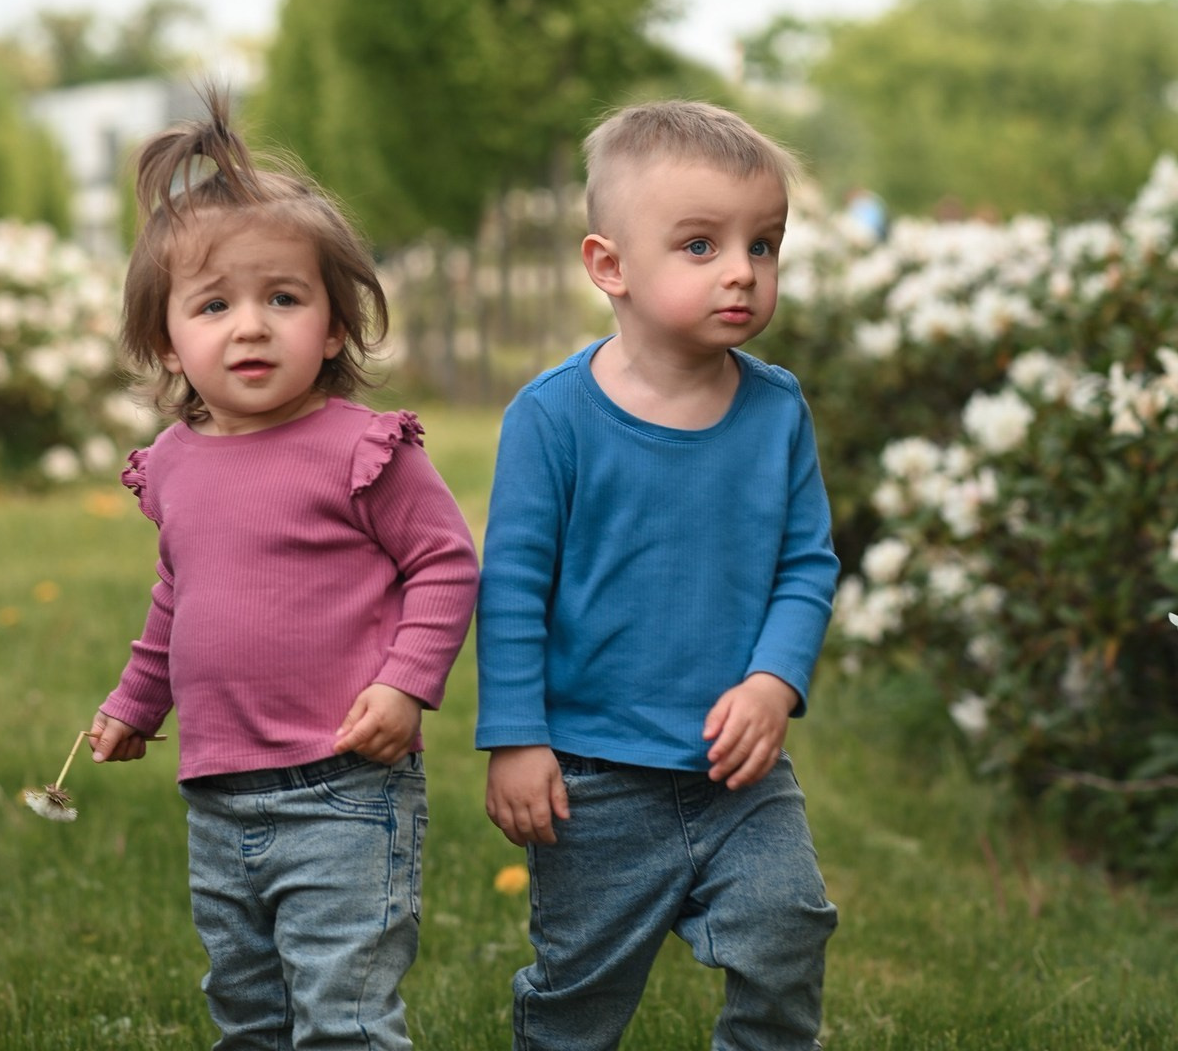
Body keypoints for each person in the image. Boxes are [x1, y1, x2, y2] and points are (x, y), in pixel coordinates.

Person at [89, 89, 479, 1050]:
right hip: (218, 795)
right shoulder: (175, 464)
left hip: (344, 785)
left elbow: (444, 564)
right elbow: (179, 595)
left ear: (336, 326)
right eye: (214, 305)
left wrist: (404, 685)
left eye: (284, 299)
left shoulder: (363, 449)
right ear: (168, 338)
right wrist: (137, 701)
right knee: (249, 1012)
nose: (250, 327)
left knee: (341, 1016)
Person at [475, 100, 840, 1050]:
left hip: (738, 777)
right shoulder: (552, 420)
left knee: (787, 927)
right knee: (579, 995)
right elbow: (511, 586)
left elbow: (806, 563)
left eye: (764, 246)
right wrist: (516, 736)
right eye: (699, 245)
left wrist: (773, 681)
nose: (741, 271)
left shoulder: (776, 411)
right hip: (592, 777)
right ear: (610, 266)